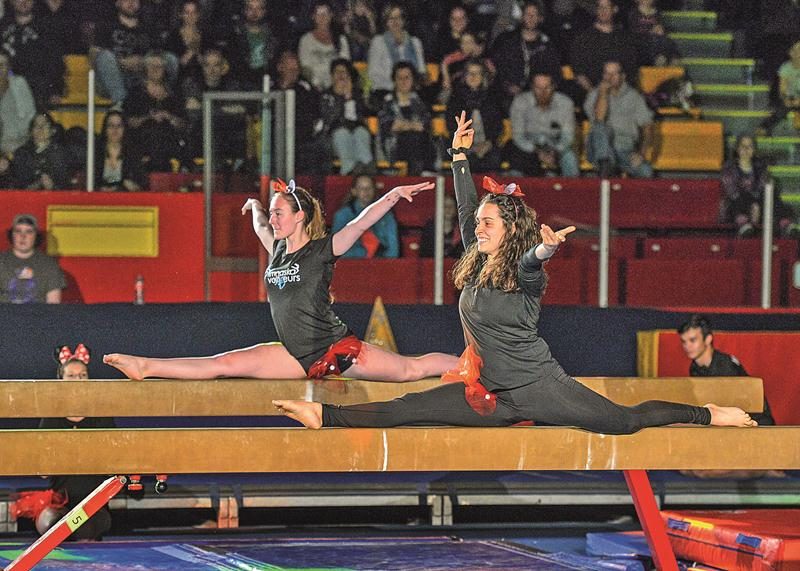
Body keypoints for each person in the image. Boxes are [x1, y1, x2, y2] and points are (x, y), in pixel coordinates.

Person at [271, 111, 757, 433]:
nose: (477, 228)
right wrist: (459, 157)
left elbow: (529, 265)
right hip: (489, 394)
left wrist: (543, 251)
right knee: (409, 408)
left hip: (539, 388)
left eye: (487, 223)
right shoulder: (476, 251)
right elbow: (465, 207)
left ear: (508, 229)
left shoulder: (525, 273)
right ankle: (323, 414)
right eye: (478, 223)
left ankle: (706, 414)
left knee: (625, 422)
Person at [104, 178, 458, 381]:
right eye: (272, 212)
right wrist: (254, 207)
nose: (273, 219)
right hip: (294, 355)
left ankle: (474, 367)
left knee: (411, 370)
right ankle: (145, 366)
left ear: (300, 216)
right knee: (222, 365)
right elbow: (259, 224)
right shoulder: (276, 249)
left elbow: (359, 224)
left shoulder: (322, 250)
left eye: (279, 212)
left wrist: (393, 196)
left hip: (336, 351)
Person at [677, 315, 782, 480]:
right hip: (728, 421)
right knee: (688, 467)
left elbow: (736, 411)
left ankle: (763, 468)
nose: (687, 346)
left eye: (692, 340)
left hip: (754, 425)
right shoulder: (696, 367)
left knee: (702, 471)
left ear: (708, 339)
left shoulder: (725, 366)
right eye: (684, 342)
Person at [28, 345, 115, 541]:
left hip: (94, 505)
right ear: (61, 381)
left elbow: (113, 462)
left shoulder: (100, 416)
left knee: (84, 525)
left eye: (83, 376)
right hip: (61, 504)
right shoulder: (52, 416)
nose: (78, 381)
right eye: (72, 376)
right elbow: (42, 471)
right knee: (51, 523)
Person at [584, 60, 654, 178]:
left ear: (623, 76)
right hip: (598, 150)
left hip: (624, 149)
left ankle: (609, 172)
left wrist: (641, 154)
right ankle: (605, 167)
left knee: (646, 171)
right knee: (601, 128)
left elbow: (647, 127)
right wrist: (603, 94)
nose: (610, 77)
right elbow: (599, 119)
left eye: (614, 74)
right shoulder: (594, 95)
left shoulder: (634, 97)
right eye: (607, 73)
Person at [720, 135, 796, 237]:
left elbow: (762, 188)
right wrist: (752, 204)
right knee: (737, 199)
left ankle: (786, 224)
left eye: (750, 146)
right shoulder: (729, 167)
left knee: (771, 194)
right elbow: (731, 192)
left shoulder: (760, 167)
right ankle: (743, 224)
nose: (746, 150)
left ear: (754, 150)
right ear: (737, 149)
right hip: (738, 205)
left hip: (759, 207)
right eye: (743, 146)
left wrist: (756, 204)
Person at [507, 72, 579, 177]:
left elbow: (567, 136)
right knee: (515, 153)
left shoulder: (565, 103)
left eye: (547, 87)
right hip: (528, 145)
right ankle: (515, 189)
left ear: (554, 87)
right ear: (532, 88)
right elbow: (518, 136)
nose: (543, 92)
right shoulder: (520, 102)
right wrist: (538, 153)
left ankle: (573, 189)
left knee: (569, 157)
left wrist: (554, 151)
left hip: (555, 144)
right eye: (538, 88)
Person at [445, 60, 503, 173]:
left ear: (483, 77)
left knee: (494, 158)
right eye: (470, 73)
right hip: (462, 145)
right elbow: (451, 126)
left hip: (487, 145)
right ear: (464, 76)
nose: (473, 77)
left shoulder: (492, 99)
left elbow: (497, 126)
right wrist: (468, 146)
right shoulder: (455, 99)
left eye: (477, 73)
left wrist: (488, 143)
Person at [320, 58, 374, 175]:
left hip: (356, 131)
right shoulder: (326, 96)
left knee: (361, 133)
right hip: (335, 134)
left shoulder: (358, 94)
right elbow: (329, 119)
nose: (340, 76)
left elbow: (367, 111)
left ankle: (366, 169)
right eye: (337, 72)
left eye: (343, 72)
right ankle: (349, 171)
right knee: (342, 134)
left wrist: (350, 97)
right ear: (332, 75)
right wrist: (340, 97)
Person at [377, 61, 432, 175]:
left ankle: (421, 173)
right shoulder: (387, 101)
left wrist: (403, 125)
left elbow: (425, 125)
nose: (403, 81)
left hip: (419, 144)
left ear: (413, 80)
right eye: (399, 78)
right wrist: (412, 125)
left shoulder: (419, 101)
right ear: (394, 80)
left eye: (407, 77)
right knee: (413, 137)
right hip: (394, 145)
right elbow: (389, 126)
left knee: (417, 138)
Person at [0, 213, 65, 304]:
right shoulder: (1, 262)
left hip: (38, 317)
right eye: (18, 231)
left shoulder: (49, 264)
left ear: (36, 236)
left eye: (29, 231)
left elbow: (53, 304)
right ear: (12, 235)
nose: (23, 236)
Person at [367, 4, 425, 99]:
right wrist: (398, 85)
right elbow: (373, 74)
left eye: (398, 17)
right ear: (386, 22)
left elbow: (421, 70)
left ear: (403, 20)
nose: (395, 22)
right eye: (391, 18)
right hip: (385, 90)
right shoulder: (378, 42)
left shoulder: (415, 42)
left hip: (411, 91)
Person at [332, 175, 398, 258]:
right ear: (354, 191)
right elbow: (337, 249)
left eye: (369, 188)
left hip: (380, 262)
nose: (366, 191)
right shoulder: (342, 216)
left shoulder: (386, 215)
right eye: (361, 188)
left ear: (374, 190)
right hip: (351, 263)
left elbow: (393, 248)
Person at [298, 1, 351, 91]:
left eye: (325, 14)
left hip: (337, 86)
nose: (322, 17)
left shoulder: (341, 39)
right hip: (314, 87)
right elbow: (305, 68)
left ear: (331, 16)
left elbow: (345, 64)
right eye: (319, 14)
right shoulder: (306, 40)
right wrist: (316, 84)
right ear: (313, 16)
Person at [12, 112, 69, 190]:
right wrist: (39, 184)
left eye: (45, 125)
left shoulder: (60, 153)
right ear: (31, 131)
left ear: (53, 130)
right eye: (36, 125)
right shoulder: (22, 153)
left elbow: (65, 186)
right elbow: (19, 186)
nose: (40, 128)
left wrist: (52, 187)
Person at [94, 110, 145, 191]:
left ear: (125, 128)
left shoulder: (133, 153)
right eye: (111, 125)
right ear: (105, 128)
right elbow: (90, 182)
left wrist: (133, 186)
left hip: (125, 199)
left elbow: (142, 183)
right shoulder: (95, 152)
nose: (115, 129)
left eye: (119, 125)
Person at [419, 194, 463, 258]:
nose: (448, 209)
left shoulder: (461, 229)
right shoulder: (430, 229)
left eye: (451, 206)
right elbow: (424, 252)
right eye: (445, 206)